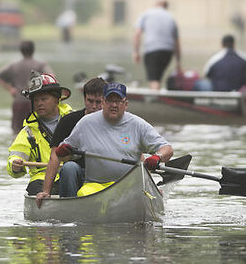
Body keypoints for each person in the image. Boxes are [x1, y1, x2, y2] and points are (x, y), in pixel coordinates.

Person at [37, 81, 173, 204]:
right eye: (110, 100)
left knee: (141, 196)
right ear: (104, 102)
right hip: (96, 185)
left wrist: (157, 157)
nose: (114, 105)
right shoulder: (85, 123)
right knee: (79, 188)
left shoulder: (138, 124)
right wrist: (63, 152)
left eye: (118, 101)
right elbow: (62, 156)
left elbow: (167, 149)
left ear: (126, 104)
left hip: (129, 186)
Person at [4, 72, 81, 196]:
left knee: (71, 171)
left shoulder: (76, 121)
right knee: (34, 187)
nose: (39, 103)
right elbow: (15, 155)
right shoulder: (28, 132)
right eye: (36, 100)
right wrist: (15, 164)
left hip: (73, 174)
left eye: (44, 99)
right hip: (41, 180)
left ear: (57, 99)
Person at [0, 40, 55, 133]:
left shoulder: (14, 65)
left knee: (16, 131)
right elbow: (52, 77)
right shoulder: (40, 65)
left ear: (21, 51)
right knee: (35, 131)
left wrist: (11, 89)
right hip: (35, 103)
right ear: (33, 50)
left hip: (18, 102)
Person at [133, 0, 181, 90]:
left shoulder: (146, 14)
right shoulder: (171, 17)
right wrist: (178, 62)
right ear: (166, 7)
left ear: (156, 4)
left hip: (152, 49)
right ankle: (157, 94)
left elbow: (137, 33)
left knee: (153, 79)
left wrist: (136, 52)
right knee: (158, 77)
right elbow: (177, 41)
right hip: (168, 51)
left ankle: (154, 100)